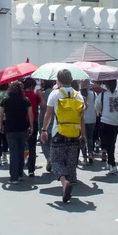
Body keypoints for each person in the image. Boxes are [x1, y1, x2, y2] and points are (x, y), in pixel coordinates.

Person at [41, 69, 85, 203]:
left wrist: (43, 130)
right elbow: (81, 117)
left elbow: (48, 114)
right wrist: (82, 134)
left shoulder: (55, 94)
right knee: (71, 161)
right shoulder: (78, 95)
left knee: (56, 160)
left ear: (58, 80)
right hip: (74, 132)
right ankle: (70, 181)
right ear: (71, 80)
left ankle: (64, 182)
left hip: (58, 132)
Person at [0, 81, 34, 184]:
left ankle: (13, 177)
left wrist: (1, 125)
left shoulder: (5, 100)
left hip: (10, 128)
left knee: (13, 152)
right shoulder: (25, 100)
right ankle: (19, 174)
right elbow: (30, 114)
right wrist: (31, 126)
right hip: (23, 128)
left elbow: (0, 114)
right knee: (21, 151)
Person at [95, 80, 118, 175]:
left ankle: (113, 164)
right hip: (116, 122)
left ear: (106, 85)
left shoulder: (102, 95)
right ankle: (110, 163)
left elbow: (97, 107)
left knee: (108, 144)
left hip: (105, 121)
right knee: (112, 143)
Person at [23, 78, 42, 177]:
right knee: (32, 146)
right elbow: (42, 105)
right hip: (34, 121)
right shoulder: (35, 95)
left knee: (21, 144)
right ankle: (31, 169)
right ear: (32, 86)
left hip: (22, 122)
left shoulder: (21, 95)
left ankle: (21, 164)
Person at [39, 80, 55, 171]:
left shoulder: (42, 93)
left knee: (44, 140)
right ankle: (52, 157)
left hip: (43, 118)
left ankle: (48, 158)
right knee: (53, 141)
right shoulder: (55, 93)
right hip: (54, 119)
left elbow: (42, 105)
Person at [80, 80, 97, 165]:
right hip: (92, 118)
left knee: (82, 138)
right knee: (90, 138)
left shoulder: (77, 94)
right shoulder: (93, 94)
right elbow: (96, 106)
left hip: (81, 119)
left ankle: (84, 158)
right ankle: (90, 153)